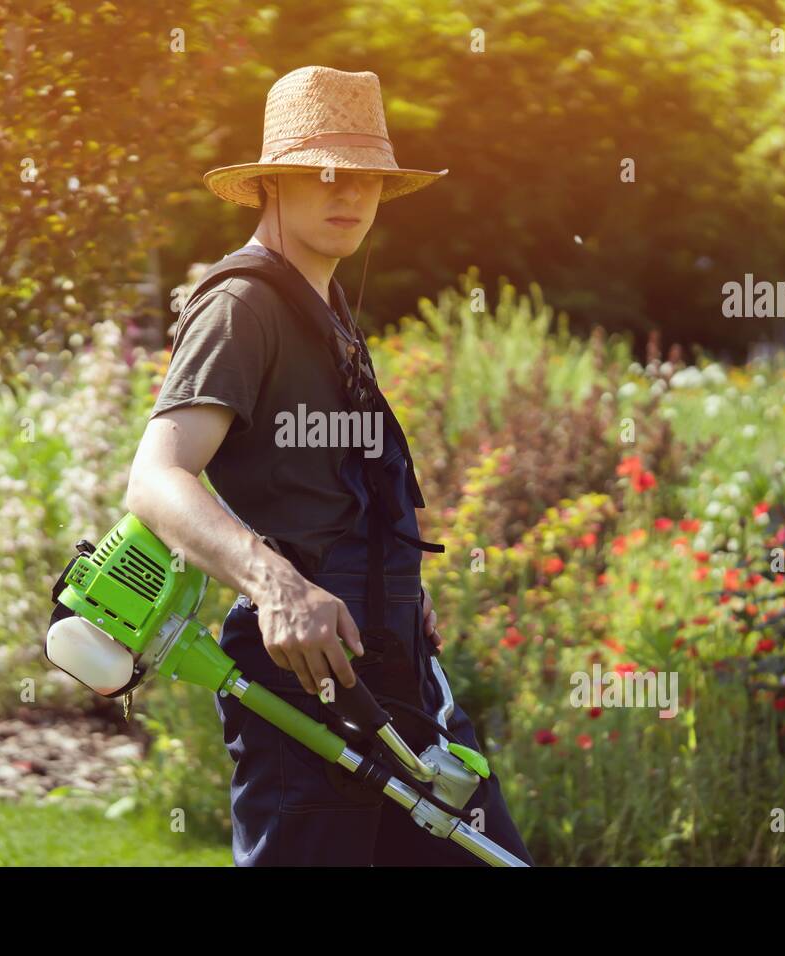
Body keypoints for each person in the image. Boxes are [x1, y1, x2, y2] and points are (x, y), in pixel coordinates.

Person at [126, 65, 533, 866]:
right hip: (302, 687)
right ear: (272, 181)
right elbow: (156, 479)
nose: (348, 194)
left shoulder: (325, 308)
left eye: (367, 179)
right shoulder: (242, 305)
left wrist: (404, 591)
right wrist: (276, 586)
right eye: (324, 174)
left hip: (396, 675)